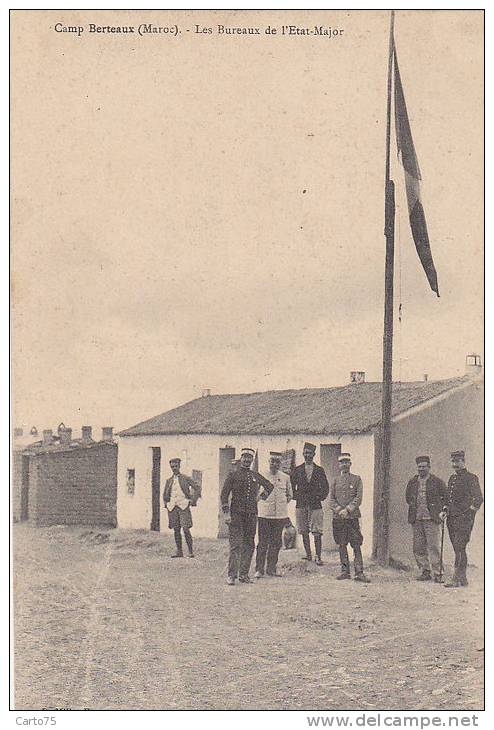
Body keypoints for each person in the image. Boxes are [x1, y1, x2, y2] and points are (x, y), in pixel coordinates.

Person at [221, 447, 273, 585]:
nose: (246, 460)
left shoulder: (255, 475)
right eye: (244, 457)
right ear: (241, 458)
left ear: (252, 460)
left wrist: (260, 497)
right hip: (236, 515)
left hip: (251, 515)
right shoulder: (233, 475)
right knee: (236, 545)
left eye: (249, 458)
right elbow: (224, 495)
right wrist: (226, 514)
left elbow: (269, 486)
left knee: (249, 544)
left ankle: (243, 574)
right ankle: (231, 575)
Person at [443, 450, 483, 588]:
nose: (455, 464)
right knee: (458, 548)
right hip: (451, 519)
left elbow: (478, 499)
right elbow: (448, 498)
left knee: (460, 546)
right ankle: (463, 578)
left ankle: (455, 578)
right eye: (453, 461)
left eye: (457, 461)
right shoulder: (452, 479)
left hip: (464, 520)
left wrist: (469, 514)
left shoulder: (471, 478)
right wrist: (445, 510)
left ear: (463, 461)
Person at [405, 455, 448, 582]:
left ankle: (438, 573)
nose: (421, 469)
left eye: (424, 467)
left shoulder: (437, 481)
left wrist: (442, 510)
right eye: (419, 467)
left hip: (432, 519)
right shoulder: (412, 482)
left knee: (434, 546)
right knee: (418, 547)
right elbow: (408, 497)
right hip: (417, 519)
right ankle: (425, 571)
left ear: (429, 467)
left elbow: (445, 497)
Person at [329, 453, 370, 583]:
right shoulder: (335, 481)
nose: (344, 465)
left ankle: (359, 572)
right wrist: (339, 510)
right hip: (339, 517)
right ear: (339, 465)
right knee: (341, 544)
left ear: (350, 464)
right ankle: (345, 571)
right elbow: (331, 500)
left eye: (347, 462)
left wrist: (348, 509)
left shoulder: (357, 479)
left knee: (356, 544)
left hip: (352, 518)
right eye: (342, 462)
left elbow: (358, 498)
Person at [254, 451, 292, 578]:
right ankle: (259, 569)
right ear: (268, 462)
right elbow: (256, 495)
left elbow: (289, 495)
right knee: (263, 542)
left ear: (280, 464)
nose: (274, 464)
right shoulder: (261, 476)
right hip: (264, 515)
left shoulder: (285, 477)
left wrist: (281, 506)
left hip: (279, 516)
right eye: (272, 461)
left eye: (277, 462)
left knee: (276, 543)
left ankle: (271, 569)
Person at [290, 442, 329, 565]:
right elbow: (291, 487)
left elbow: (325, 488)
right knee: (303, 530)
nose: (308, 455)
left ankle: (318, 556)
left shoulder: (319, 470)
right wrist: (297, 497)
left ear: (314, 454)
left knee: (317, 531)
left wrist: (319, 497)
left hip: (315, 505)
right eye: (306, 453)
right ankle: (308, 555)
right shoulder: (297, 470)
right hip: (301, 505)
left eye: (310, 453)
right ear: (303, 454)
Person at [163, 458, 201, 558]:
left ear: (179, 466)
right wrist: (166, 504)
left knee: (185, 528)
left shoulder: (185, 478)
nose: (174, 468)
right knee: (176, 529)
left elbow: (197, 487)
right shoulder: (169, 481)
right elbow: (165, 494)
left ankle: (190, 551)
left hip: (183, 506)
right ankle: (179, 551)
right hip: (172, 507)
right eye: (172, 467)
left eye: (175, 466)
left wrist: (193, 500)